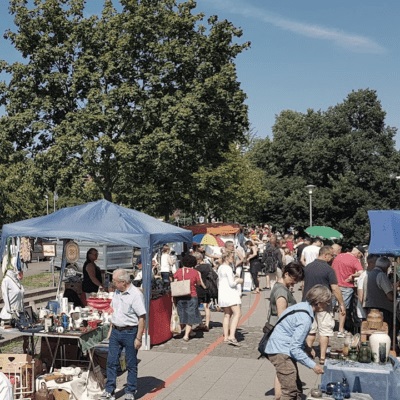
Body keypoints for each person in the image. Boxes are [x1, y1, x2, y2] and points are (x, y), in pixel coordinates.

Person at [265, 284, 328, 400]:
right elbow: (294, 348)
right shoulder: (305, 318)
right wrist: (313, 366)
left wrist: (307, 347)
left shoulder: (302, 307)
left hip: (280, 347)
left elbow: (295, 335)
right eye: (326, 302)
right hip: (281, 351)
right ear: (318, 302)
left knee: (297, 388)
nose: (328, 305)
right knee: (290, 392)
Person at [101, 269, 146, 400]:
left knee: (131, 363)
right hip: (116, 331)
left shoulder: (136, 294)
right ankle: (109, 390)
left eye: (114, 281)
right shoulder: (117, 292)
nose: (112, 284)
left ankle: (130, 391)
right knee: (111, 362)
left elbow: (142, 317)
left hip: (130, 332)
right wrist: (111, 329)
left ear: (123, 282)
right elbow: (115, 311)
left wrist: (139, 337)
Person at [302, 246, 346, 364]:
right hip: (323, 304)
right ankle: (322, 357)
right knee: (324, 330)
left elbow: (304, 285)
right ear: (326, 255)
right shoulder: (328, 269)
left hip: (308, 303)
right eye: (332, 255)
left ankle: (307, 353)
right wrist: (341, 304)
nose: (332, 258)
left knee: (311, 330)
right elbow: (335, 288)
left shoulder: (308, 267)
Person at [267, 262, 304, 399]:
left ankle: (279, 396)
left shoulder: (280, 287)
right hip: (281, 336)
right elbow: (282, 315)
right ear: (286, 274)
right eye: (293, 279)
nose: (294, 283)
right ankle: (281, 396)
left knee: (282, 370)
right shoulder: (282, 291)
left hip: (277, 335)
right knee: (285, 369)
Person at [332, 246, 364, 337]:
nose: (360, 258)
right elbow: (361, 272)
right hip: (346, 286)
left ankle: (329, 326)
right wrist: (353, 275)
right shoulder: (355, 260)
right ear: (358, 253)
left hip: (334, 285)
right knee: (343, 308)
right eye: (360, 256)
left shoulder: (339, 256)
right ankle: (340, 329)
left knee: (331, 307)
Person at [173, 254, 206, 342]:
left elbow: (175, 281)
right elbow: (198, 283)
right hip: (192, 295)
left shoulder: (179, 271)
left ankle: (189, 332)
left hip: (180, 295)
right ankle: (186, 335)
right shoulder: (195, 272)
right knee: (190, 315)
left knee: (182, 314)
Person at [364, 256, 396, 340]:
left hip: (371, 307)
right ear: (386, 267)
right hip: (382, 309)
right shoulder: (381, 275)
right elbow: (390, 296)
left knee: (373, 332)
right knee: (385, 332)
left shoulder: (369, 274)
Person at [218, 252, 243, 346]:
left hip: (223, 294)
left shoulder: (220, 267)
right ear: (227, 258)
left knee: (227, 314)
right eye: (232, 257)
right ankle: (232, 336)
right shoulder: (228, 268)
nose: (233, 259)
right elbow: (232, 284)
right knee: (238, 314)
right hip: (230, 294)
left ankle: (226, 336)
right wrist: (238, 280)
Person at [193, 252, 213, 331]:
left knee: (196, 307)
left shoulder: (197, 269)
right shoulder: (208, 266)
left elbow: (198, 280)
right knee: (206, 307)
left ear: (198, 259)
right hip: (207, 288)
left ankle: (201, 323)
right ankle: (207, 324)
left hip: (199, 288)